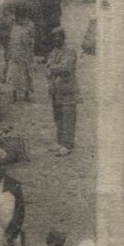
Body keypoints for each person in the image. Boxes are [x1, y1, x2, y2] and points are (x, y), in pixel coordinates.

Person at [45, 26, 79, 157]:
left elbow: (66, 68)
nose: (56, 40)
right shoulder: (53, 51)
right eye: (54, 38)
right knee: (58, 117)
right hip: (56, 90)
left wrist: (52, 68)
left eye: (59, 37)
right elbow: (47, 67)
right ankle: (60, 141)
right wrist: (51, 68)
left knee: (68, 117)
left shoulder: (70, 51)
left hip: (68, 90)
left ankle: (68, 144)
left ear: (63, 38)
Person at [6, 1, 36, 103]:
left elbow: (32, 38)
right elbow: (10, 40)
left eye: (23, 15)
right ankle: (14, 95)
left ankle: (26, 94)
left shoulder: (30, 25)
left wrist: (30, 49)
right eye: (19, 15)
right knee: (14, 74)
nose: (21, 18)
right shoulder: (13, 25)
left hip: (26, 52)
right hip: (15, 52)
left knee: (26, 73)